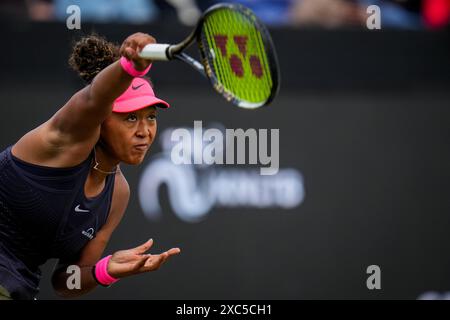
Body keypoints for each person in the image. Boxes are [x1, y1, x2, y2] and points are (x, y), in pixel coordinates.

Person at [0, 32, 181, 300]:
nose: (144, 131)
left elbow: (65, 282)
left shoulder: (118, 193)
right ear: (101, 119)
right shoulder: (65, 140)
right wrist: (130, 67)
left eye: (151, 117)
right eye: (130, 118)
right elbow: (94, 98)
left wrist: (103, 271)